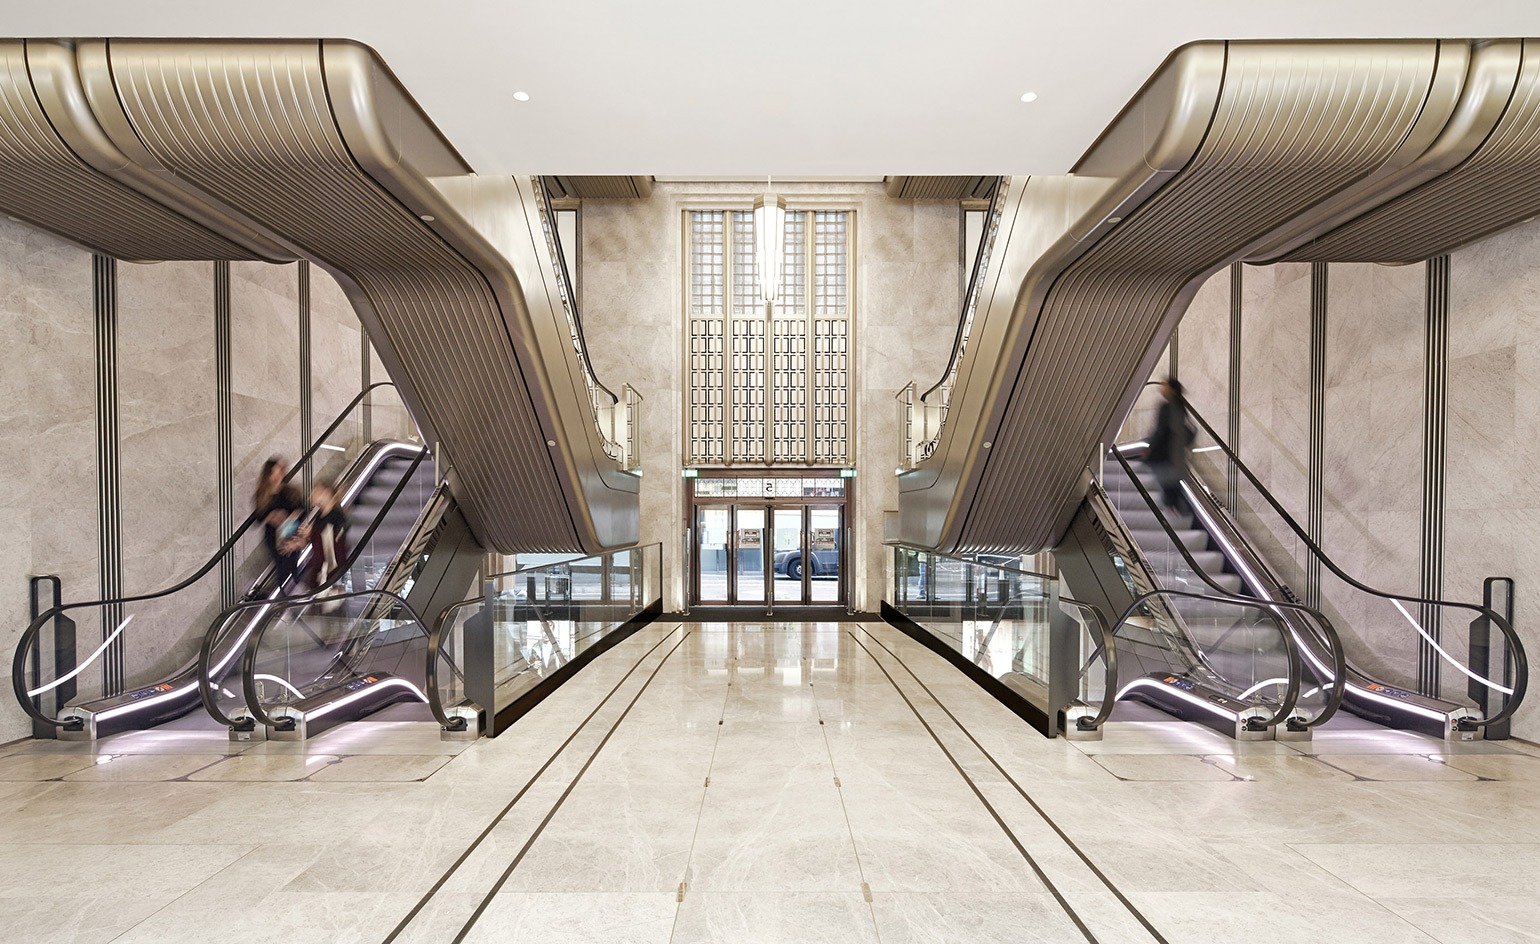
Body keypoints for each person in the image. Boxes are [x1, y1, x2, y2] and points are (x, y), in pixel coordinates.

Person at [254, 457, 307, 590]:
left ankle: (291, 596)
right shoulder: (263, 495)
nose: (278, 475)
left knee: (291, 564)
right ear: (268, 475)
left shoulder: (290, 491)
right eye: (275, 472)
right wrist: (271, 516)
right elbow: (258, 518)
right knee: (282, 566)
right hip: (274, 537)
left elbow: (303, 509)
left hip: (292, 533)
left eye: (280, 471)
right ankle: (286, 598)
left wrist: (292, 517)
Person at [1145, 377, 1195, 516]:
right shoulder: (1181, 408)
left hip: (1165, 454)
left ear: (1172, 390)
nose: (1162, 388)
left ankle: (1172, 509)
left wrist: (1150, 448)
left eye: (1165, 386)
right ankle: (1178, 508)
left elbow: (1160, 431)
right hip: (1177, 456)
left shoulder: (1166, 407)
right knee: (1172, 483)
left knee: (1165, 480)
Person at [305, 477, 349, 605]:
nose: (311, 494)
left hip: (329, 580)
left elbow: (335, 552)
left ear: (326, 493)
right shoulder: (320, 517)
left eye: (315, 491)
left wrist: (334, 581)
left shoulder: (336, 518)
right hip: (319, 576)